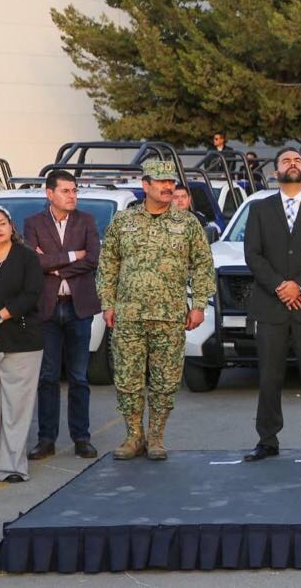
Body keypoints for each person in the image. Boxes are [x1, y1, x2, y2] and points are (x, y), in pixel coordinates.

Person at [96, 160, 215, 461]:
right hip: (129, 316)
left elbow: (202, 265)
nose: (167, 187)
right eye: (160, 182)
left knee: (165, 381)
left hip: (170, 315)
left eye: (171, 182)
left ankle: (157, 438)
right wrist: (107, 303)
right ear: (145, 185)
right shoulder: (123, 222)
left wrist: (199, 304)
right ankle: (133, 436)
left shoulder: (187, 223)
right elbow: (108, 264)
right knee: (127, 379)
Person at [242, 147, 301, 462]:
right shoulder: (259, 209)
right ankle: (267, 440)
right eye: (286, 160)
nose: (293, 164)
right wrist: (281, 286)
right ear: (276, 171)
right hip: (271, 306)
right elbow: (253, 255)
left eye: (298, 160)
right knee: (269, 377)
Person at [23, 170, 102, 461]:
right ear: (50, 193)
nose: (73, 196)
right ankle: (46, 439)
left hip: (78, 307)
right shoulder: (33, 223)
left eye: (74, 190)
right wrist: (72, 256)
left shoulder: (87, 221)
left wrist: (52, 266)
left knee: (79, 377)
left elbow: (93, 259)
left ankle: (81, 437)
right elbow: (34, 261)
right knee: (47, 377)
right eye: (66, 191)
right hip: (47, 309)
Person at [0, 205, 44, 483]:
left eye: (2, 223)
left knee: (16, 408)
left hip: (21, 339)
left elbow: (31, 295)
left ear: (11, 226)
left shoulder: (27, 257)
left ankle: (12, 467)